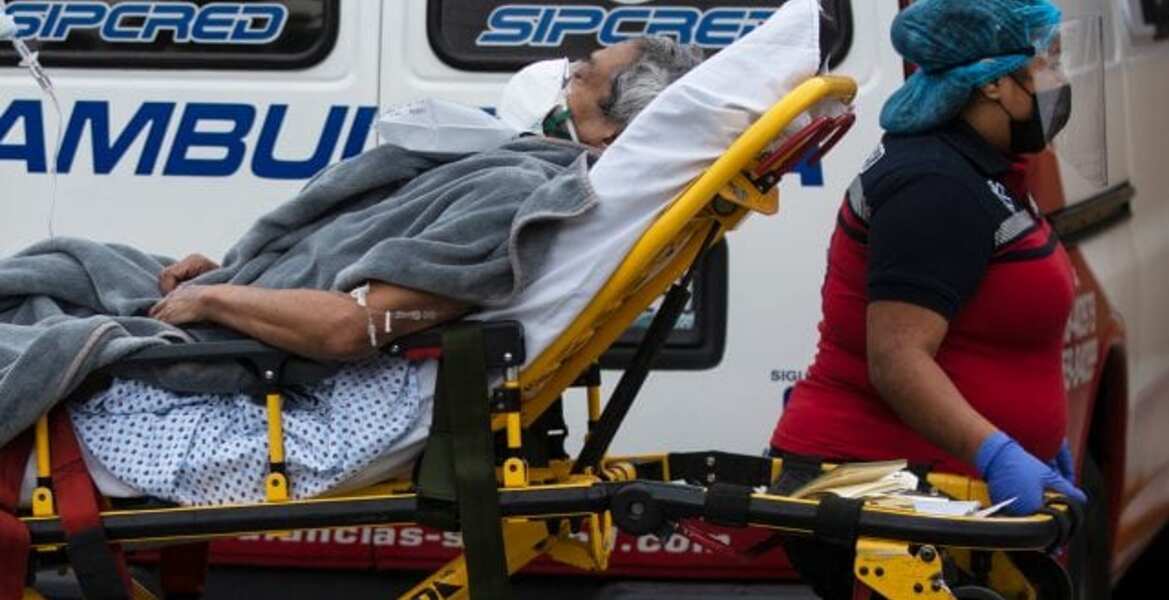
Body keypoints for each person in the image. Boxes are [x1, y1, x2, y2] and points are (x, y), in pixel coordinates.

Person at [54, 36, 704, 506]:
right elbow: (342, 278)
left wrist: (218, 301)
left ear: (609, 135)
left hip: (275, 386)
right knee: (73, 267)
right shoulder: (510, 175)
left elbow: (349, 328)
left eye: (580, 75)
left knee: (46, 305)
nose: (559, 73)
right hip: (264, 334)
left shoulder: (514, 193)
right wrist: (235, 275)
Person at [766, 1, 1086, 597]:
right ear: (993, 82)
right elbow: (898, 359)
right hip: (885, 494)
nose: (1059, 81)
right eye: (1049, 62)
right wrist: (999, 452)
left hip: (936, 489)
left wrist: (1038, 436)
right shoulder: (934, 184)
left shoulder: (981, 168)